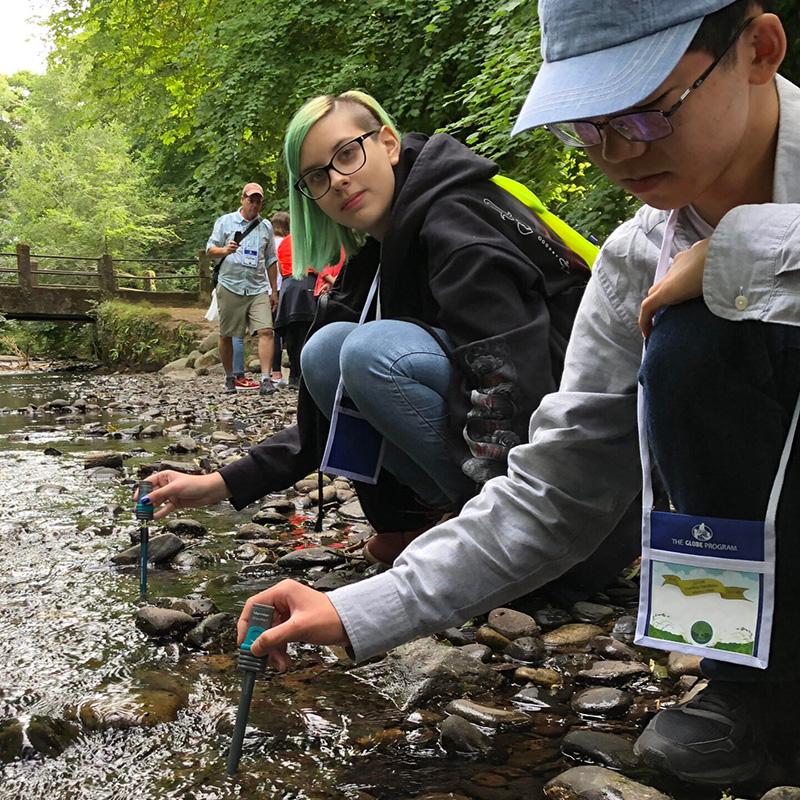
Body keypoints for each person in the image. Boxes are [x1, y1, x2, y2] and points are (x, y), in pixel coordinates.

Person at [217, 1, 796, 789]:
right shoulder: (635, 257)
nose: (615, 155)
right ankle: (756, 689)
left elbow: (510, 383)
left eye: (646, 114)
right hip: (653, 511)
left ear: (758, 51)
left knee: (698, 332)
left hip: (629, 491)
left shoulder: (462, 216)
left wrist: (744, 254)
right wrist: (359, 610)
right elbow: (553, 488)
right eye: (584, 129)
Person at [143, 88, 597, 562]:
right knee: (325, 350)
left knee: (370, 352)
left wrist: (502, 543)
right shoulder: (377, 257)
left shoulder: (458, 223)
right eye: (317, 176)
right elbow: (322, 421)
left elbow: (513, 387)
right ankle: (422, 518)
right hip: (518, 467)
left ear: (388, 144)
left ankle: (500, 534)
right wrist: (220, 484)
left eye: (346, 155)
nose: (337, 181)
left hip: (568, 479)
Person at [206, 182, 280, 396]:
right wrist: (224, 250)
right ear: (242, 199)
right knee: (227, 334)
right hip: (231, 284)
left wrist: (273, 291)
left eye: (258, 201)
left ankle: (266, 379)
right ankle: (230, 377)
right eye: (251, 200)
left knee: (266, 330)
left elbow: (271, 259)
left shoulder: (265, 226)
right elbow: (210, 250)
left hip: (257, 286)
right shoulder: (225, 222)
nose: (254, 204)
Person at [272, 229, 318, 389]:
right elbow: (319, 265)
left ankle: (294, 375)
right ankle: (306, 377)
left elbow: (280, 267)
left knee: (291, 333)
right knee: (309, 331)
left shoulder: (284, 242)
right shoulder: (313, 238)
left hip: (288, 287)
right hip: (308, 284)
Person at [270, 211, 290, 385]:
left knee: (273, 333)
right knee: (287, 331)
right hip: (286, 289)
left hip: (269, 290)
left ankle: (275, 372)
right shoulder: (289, 243)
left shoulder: (267, 244)